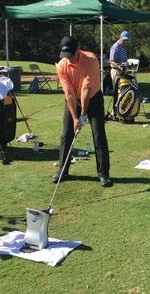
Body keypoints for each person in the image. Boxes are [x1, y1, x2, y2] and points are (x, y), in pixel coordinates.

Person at [55, 36, 112, 187]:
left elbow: (86, 90)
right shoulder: (62, 65)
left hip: (93, 98)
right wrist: (75, 118)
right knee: (67, 134)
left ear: (78, 48)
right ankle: (62, 171)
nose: (69, 59)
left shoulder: (91, 59)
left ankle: (103, 174)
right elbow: (68, 93)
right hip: (73, 99)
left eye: (71, 55)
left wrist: (82, 116)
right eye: (65, 55)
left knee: (98, 135)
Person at [110, 31, 130, 118]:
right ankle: (114, 112)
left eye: (127, 40)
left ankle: (121, 110)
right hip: (116, 71)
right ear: (120, 37)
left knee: (122, 92)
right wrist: (119, 66)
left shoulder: (123, 47)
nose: (125, 41)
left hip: (122, 71)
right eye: (124, 39)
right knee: (116, 92)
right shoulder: (115, 47)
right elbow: (111, 61)